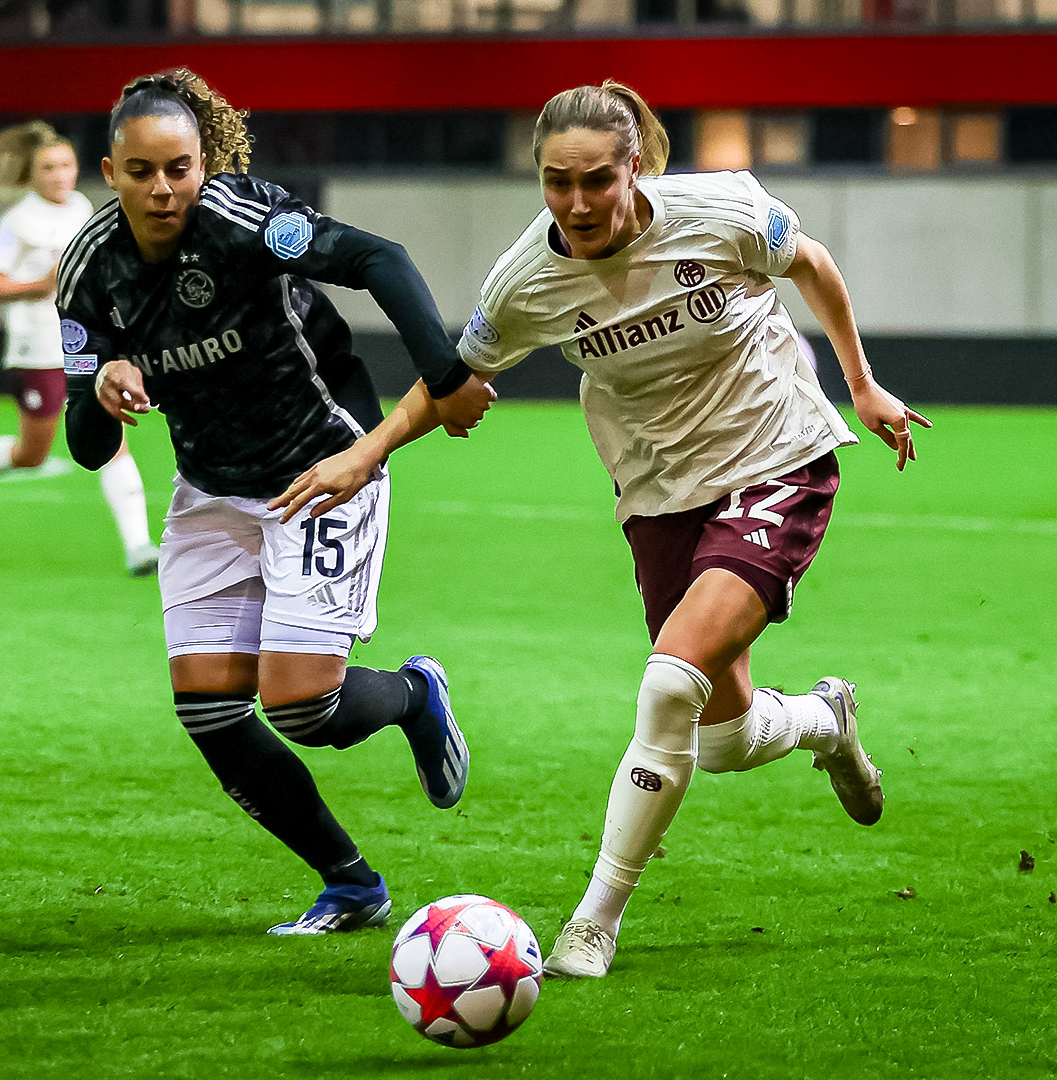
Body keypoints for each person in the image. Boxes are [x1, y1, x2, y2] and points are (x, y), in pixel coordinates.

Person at [453, 81, 930, 977]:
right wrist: (372, 449)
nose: (579, 201)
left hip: (777, 455)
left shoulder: (723, 210)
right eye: (558, 182)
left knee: (667, 685)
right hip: (663, 491)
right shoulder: (528, 276)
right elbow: (461, 371)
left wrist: (862, 384)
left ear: (635, 165)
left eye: (598, 178)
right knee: (721, 738)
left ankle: (594, 920)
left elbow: (812, 265)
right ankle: (826, 720)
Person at [57, 69, 497, 934]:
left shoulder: (243, 219)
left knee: (303, 709)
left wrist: (445, 381)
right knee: (208, 710)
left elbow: (381, 260)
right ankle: (352, 884)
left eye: (179, 167)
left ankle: (413, 695)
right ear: (109, 173)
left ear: (202, 164)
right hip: (212, 490)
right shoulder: (88, 272)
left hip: (320, 465)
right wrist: (99, 387)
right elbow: (88, 448)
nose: (163, 189)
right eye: (142, 171)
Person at [0, 120, 161, 577]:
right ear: (33, 174)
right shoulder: (18, 221)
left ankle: (139, 547)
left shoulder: (81, 207)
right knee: (31, 454)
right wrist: (43, 284)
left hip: (85, 347)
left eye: (65, 166)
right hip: (34, 348)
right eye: (48, 168)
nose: (59, 175)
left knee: (114, 440)